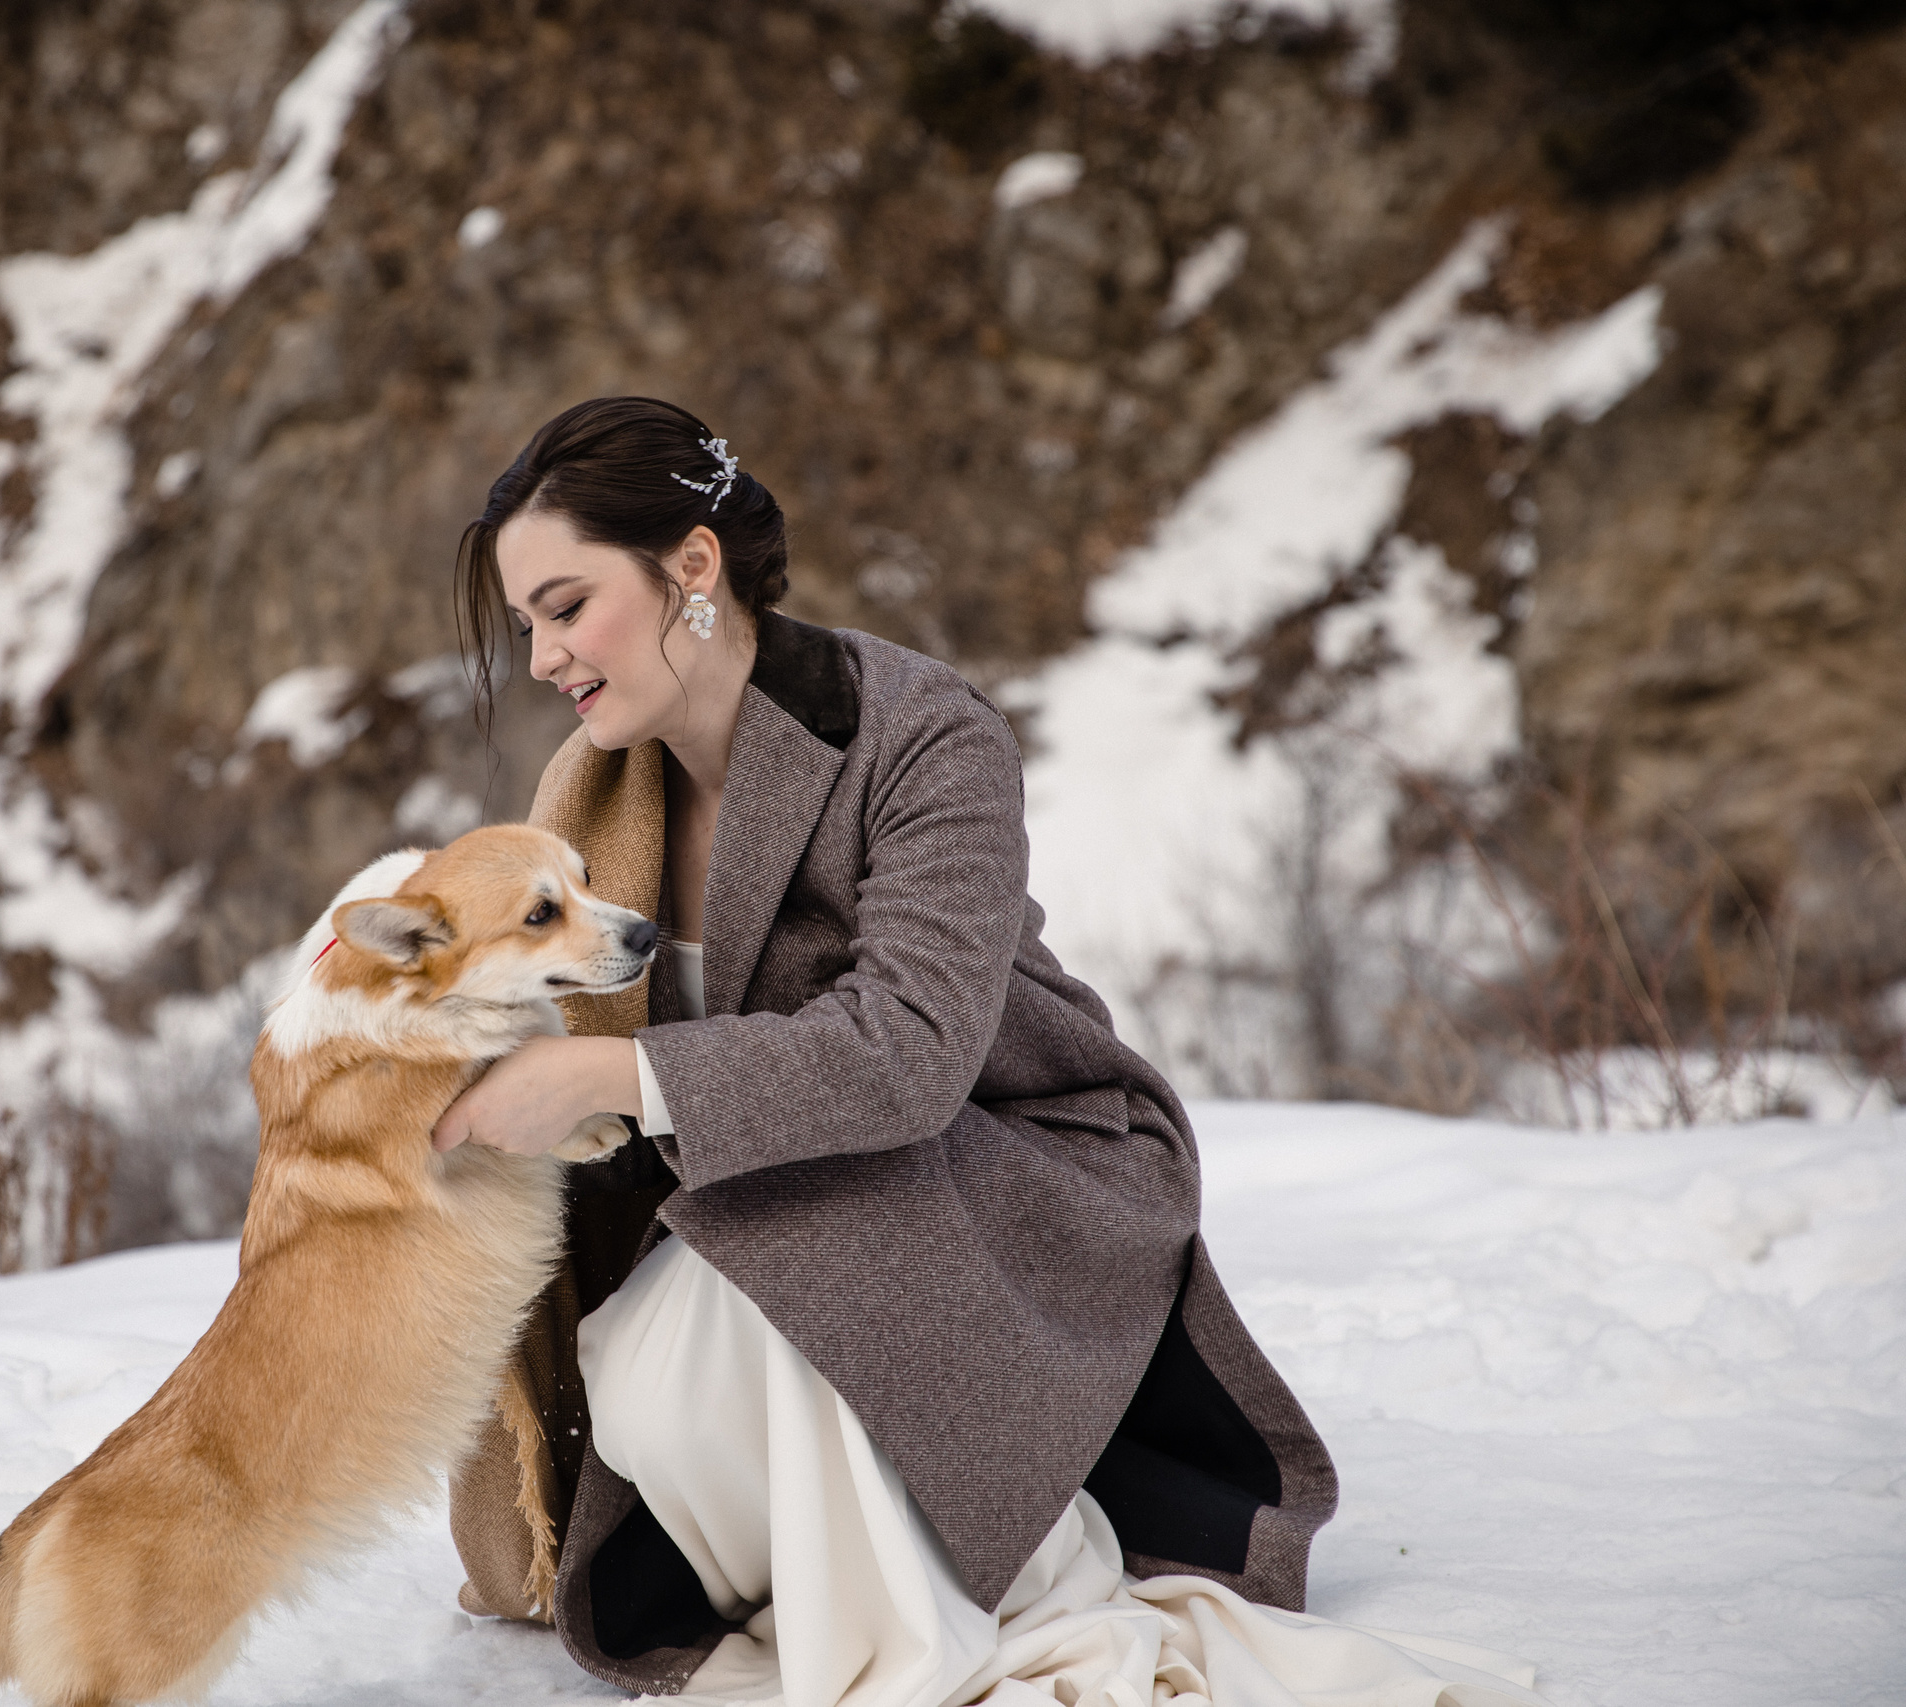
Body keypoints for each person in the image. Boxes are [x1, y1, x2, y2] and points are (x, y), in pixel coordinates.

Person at [430, 397, 1543, 1707]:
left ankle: (956, 1598)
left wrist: (615, 1077)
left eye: (567, 606)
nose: (549, 654)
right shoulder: (592, 797)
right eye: (528, 627)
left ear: (690, 565)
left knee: (774, 1286)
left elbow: (911, 1051)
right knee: (646, 1386)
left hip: (1012, 1155)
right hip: (758, 1197)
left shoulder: (919, 732)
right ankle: (895, 1552)